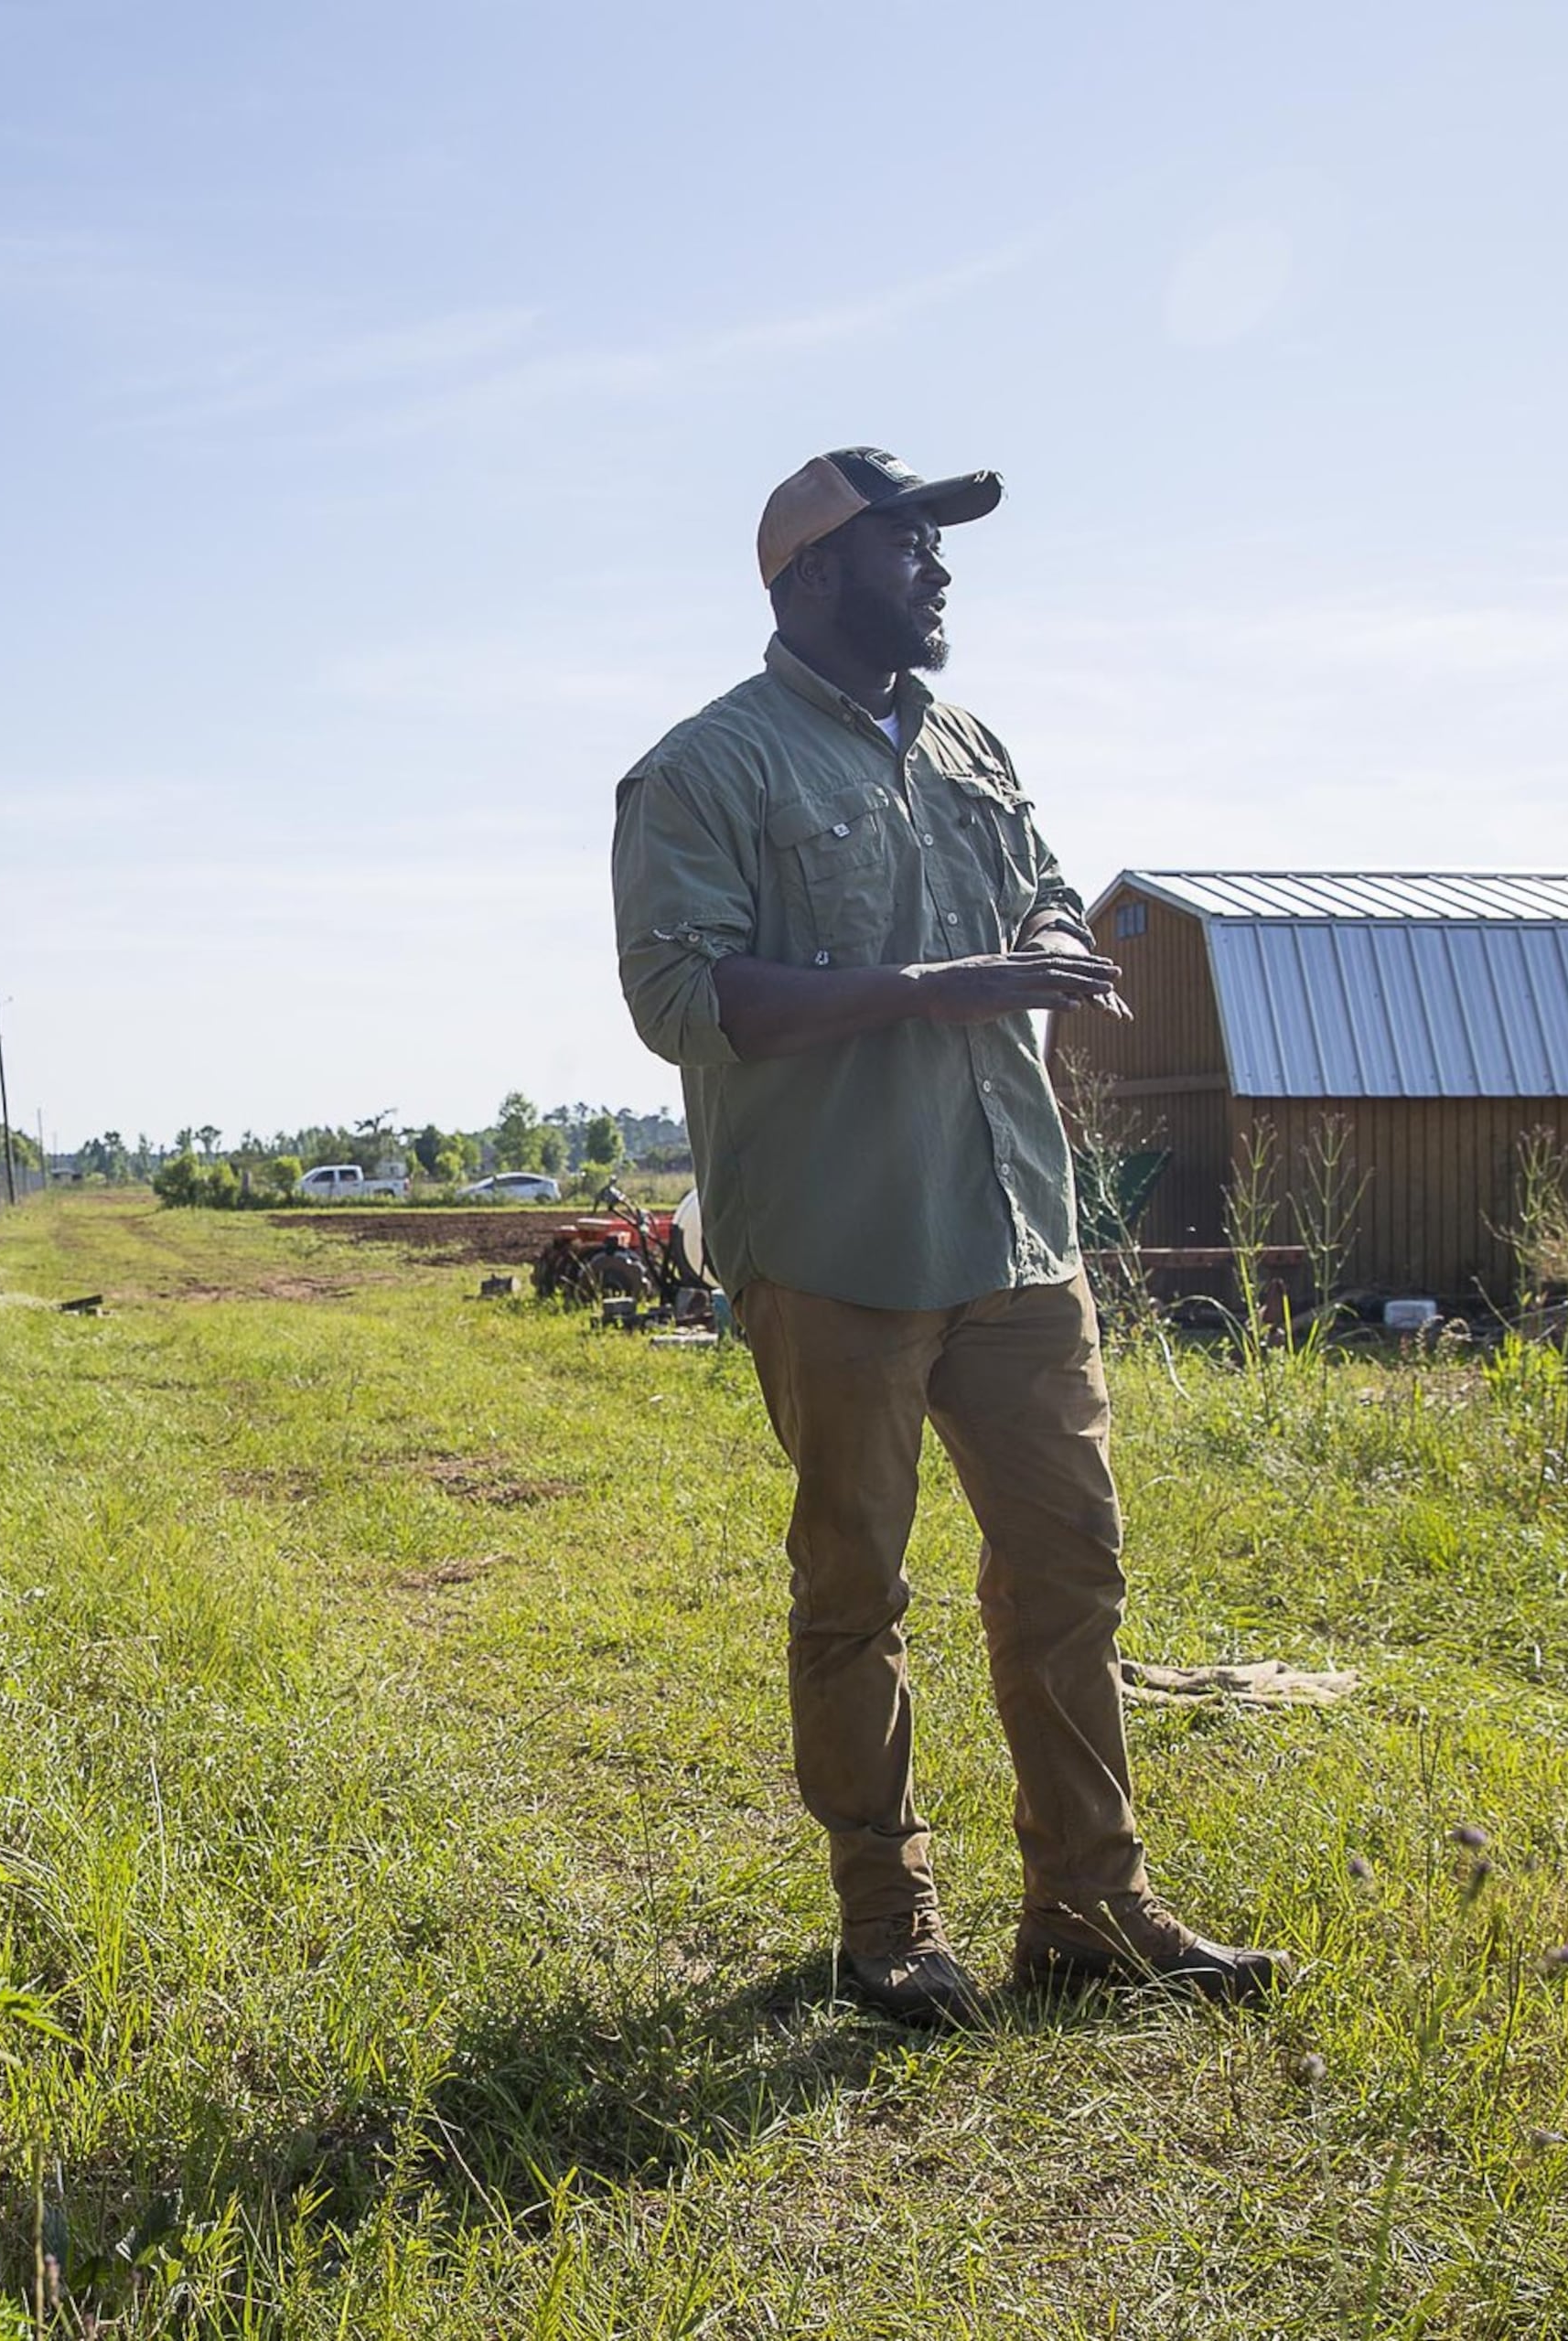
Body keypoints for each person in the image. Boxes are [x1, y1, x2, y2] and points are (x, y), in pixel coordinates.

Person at [608, 446, 1293, 2029]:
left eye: (938, 541)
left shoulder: (972, 742)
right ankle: (887, 1921)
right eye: (907, 542)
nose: (939, 568)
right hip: (836, 1244)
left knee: (1071, 1570)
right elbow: (682, 1001)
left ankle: (1091, 1904)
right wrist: (946, 988)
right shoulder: (708, 769)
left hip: (1015, 1234)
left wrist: (1050, 939)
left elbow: (1043, 891)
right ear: (809, 575)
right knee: (857, 1592)